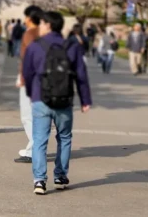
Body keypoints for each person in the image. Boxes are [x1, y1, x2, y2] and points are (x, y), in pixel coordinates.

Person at [22, 11, 92, 195]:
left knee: (39, 140)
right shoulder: (72, 46)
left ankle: (39, 180)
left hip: (40, 99)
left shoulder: (35, 46)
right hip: (64, 99)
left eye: (43, 24)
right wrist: (85, 100)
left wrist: (31, 93)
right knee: (65, 137)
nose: (41, 27)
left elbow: (27, 73)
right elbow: (81, 75)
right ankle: (60, 176)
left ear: (48, 25)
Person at [15, 5, 43, 164]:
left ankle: (33, 149)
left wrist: (22, 78)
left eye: (26, 17)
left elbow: (28, 58)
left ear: (30, 18)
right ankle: (35, 147)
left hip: (30, 78)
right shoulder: (44, 32)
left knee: (27, 116)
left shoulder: (29, 34)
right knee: (37, 116)